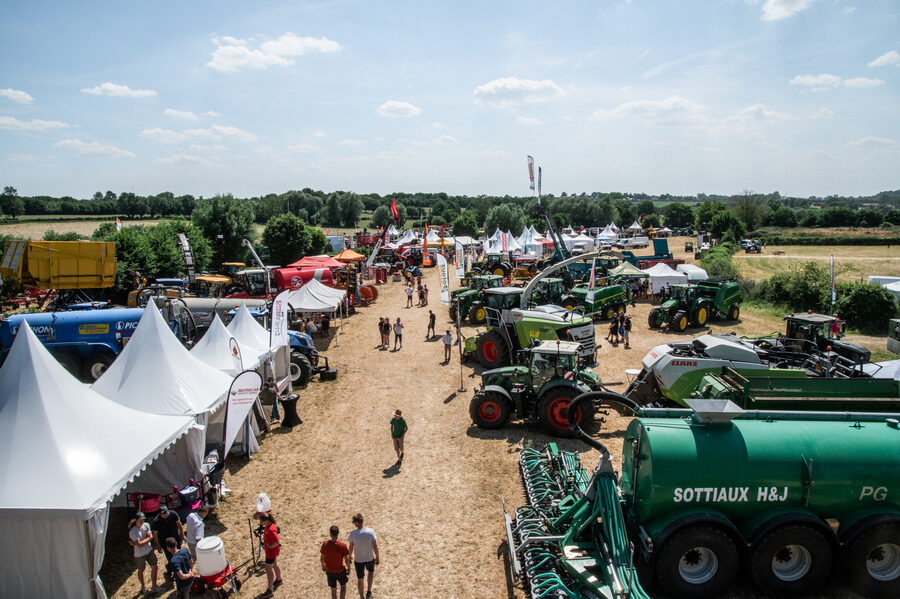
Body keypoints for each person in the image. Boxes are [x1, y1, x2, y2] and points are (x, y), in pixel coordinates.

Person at [347, 513, 379, 599]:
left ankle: (361, 596)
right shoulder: (370, 532)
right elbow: (375, 546)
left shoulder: (353, 534)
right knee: (370, 572)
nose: (354, 524)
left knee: (360, 578)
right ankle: (369, 591)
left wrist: (349, 556)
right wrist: (377, 556)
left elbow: (351, 546)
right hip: (369, 558)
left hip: (359, 560)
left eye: (354, 522)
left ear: (357, 523)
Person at [129, 512, 162, 594]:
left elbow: (148, 536)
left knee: (155, 567)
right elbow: (139, 544)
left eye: (143, 520)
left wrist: (144, 540)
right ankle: (143, 586)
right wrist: (148, 539)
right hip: (139, 555)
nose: (142, 522)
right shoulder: (133, 532)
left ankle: (154, 586)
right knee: (141, 570)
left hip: (149, 551)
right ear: (136, 521)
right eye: (140, 520)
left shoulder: (146, 525)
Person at [151, 508, 184, 574]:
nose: (166, 515)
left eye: (166, 513)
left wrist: (182, 535)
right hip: (165, 542)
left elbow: (179, 523)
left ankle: (179, 569)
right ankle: (172, 570)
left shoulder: (173, 514)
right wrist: (158, 546)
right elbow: (155, 535)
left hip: (175, 539)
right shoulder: (156, 521)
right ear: (160, 514)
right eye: (164, 514)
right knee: (170, 557)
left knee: (178, 554)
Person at [322, 525, 352, 599]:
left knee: (333, 589)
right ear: (338, 533)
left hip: (329, 571)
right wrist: (349, 568)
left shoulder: (325, 544)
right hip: (340, 570)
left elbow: (322, 557)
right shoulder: (342, 545)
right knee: (343, 587)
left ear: (330, 533)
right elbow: (346, 559)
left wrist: (323, 566)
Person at [259, 512, 283, 597]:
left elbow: (276, 541)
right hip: (273, 552)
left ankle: (270, 589)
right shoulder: (270, 526)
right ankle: (279, 579)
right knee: (275, 565)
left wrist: (270, 545)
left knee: (268, 569)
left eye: (261, 522)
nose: (261, 524)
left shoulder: (271, 530)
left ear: (265, 520)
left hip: (271, 553)